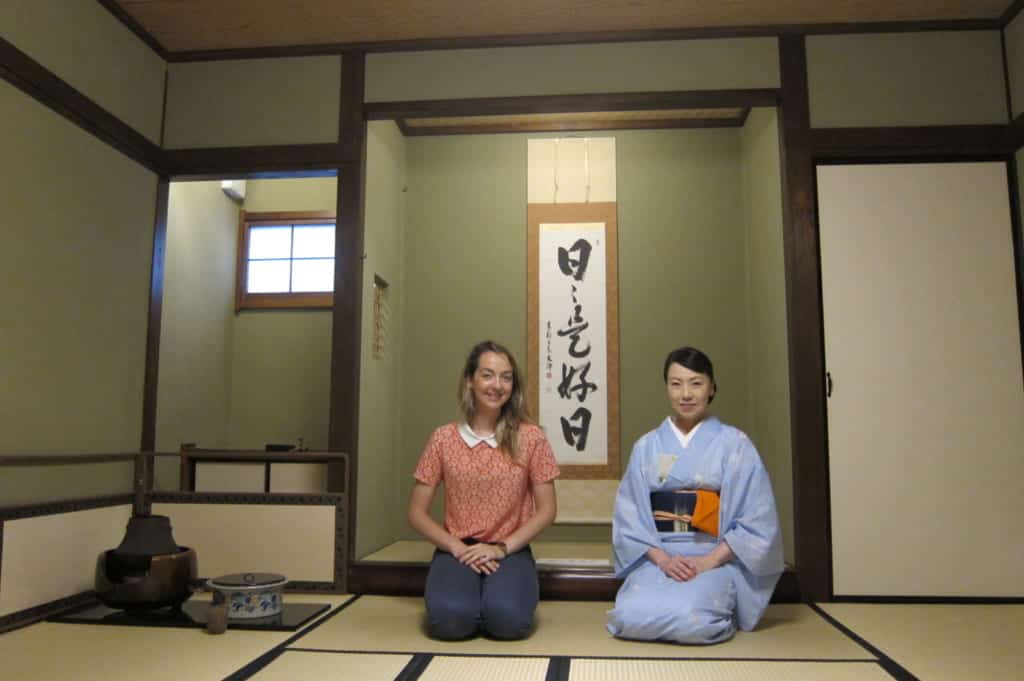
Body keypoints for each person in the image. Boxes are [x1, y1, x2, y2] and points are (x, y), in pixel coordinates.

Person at [607, 346, 783, 644]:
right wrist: (664, 560)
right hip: (660, 557)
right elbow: (630, 518)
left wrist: (707, 562)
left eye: (696, 383)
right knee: (628, 616)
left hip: (714, 557)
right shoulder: (646, 446)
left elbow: (757, 519)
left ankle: (718, 609)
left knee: (694, 620)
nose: (686, 394)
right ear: (666, 388)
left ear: (711, 388)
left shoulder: (735, 444)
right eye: (676, 384)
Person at [407, 340, 560, 640]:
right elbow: (416, 512)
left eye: (506, 377)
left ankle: (493, 599)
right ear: (470, 380)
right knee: (450, 622)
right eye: (487, 375)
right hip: (457, 548)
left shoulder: (531, 438)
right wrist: (457, 548)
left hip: (510, 548)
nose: (497, 385)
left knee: (508, 621)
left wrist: (500, 548)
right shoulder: (443, 438)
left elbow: (547, 510)